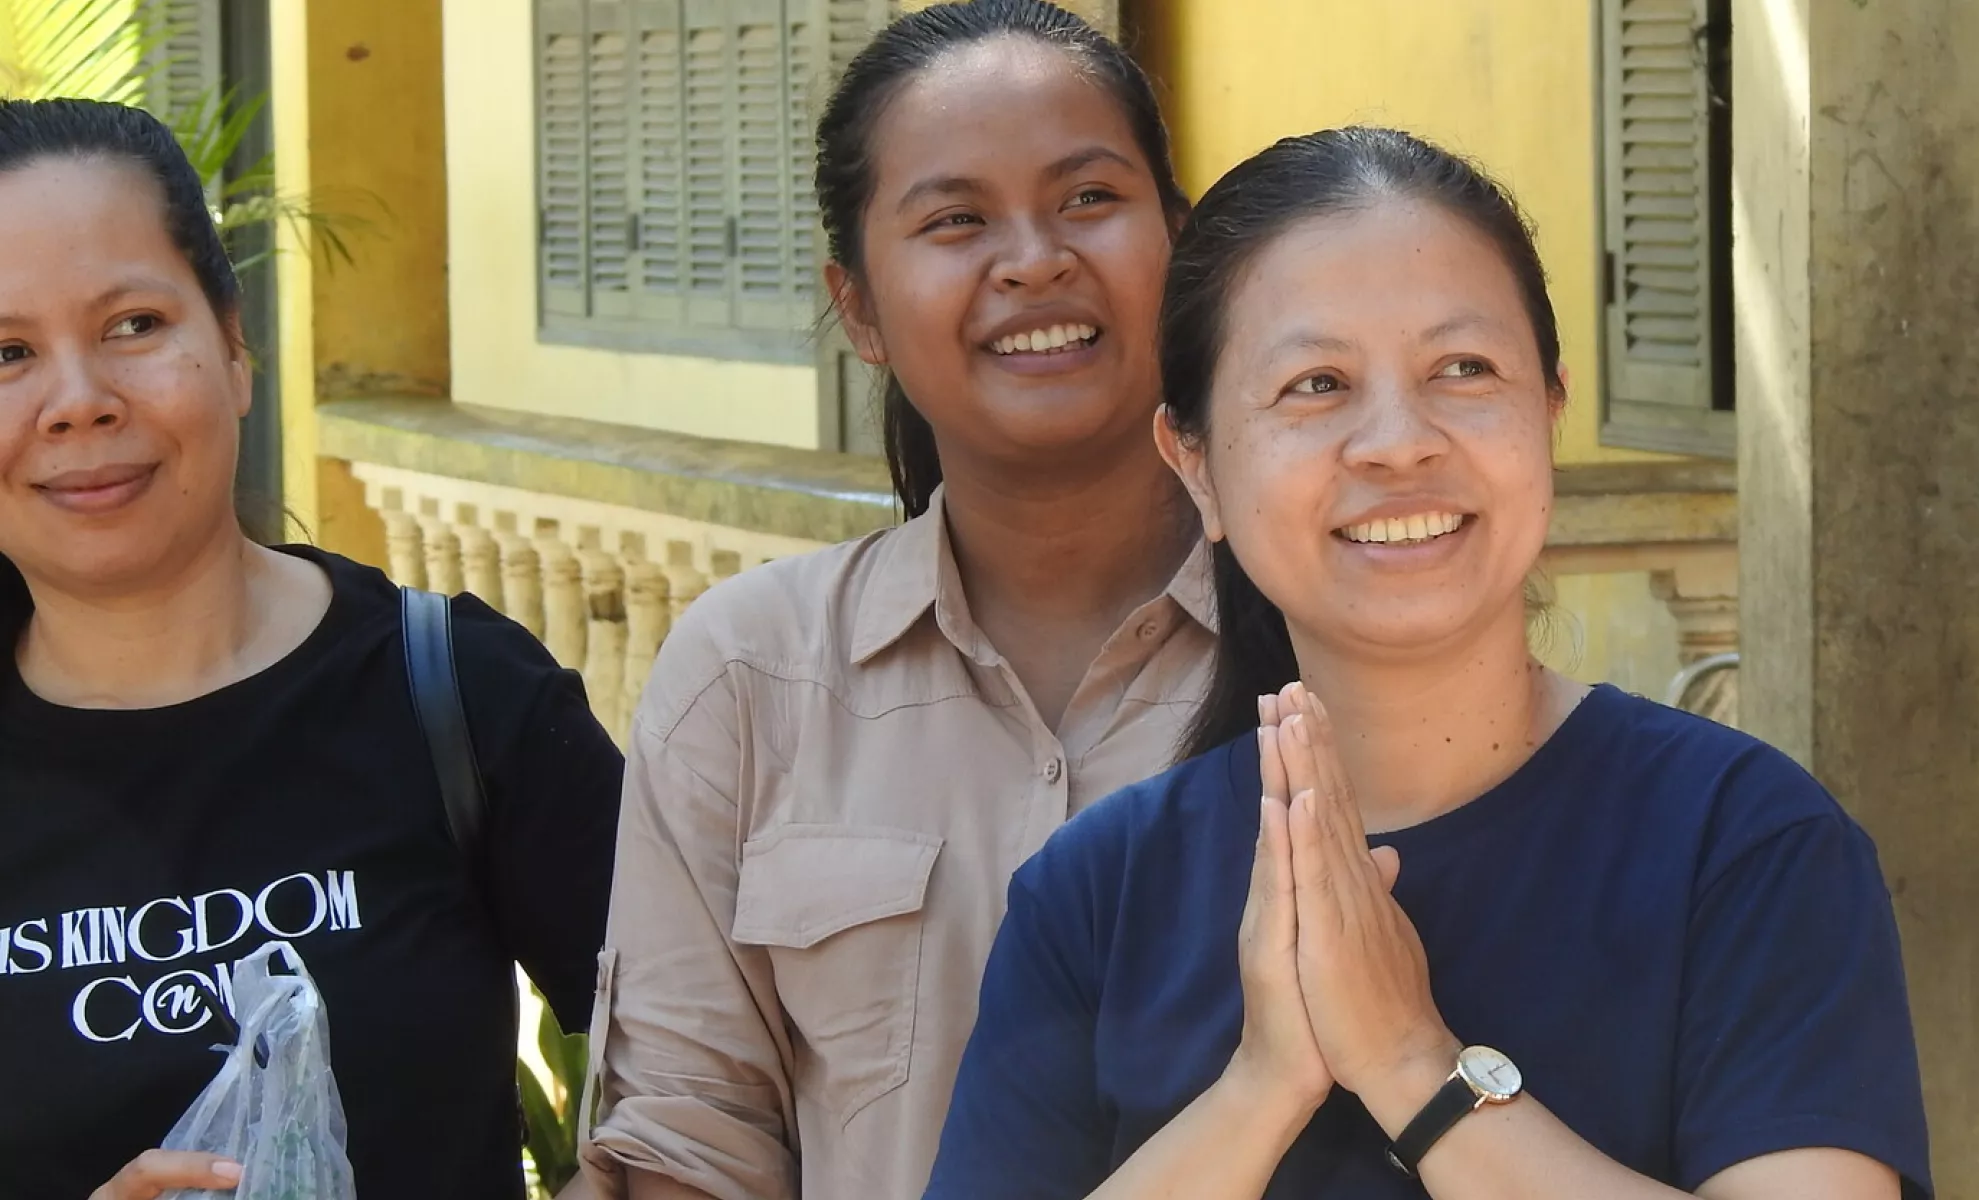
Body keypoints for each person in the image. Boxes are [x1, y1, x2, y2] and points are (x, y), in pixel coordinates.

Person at [927, 126, 1935, 1200]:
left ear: (1549, 409)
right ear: (1199, 465)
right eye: (1316, 384)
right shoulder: (1098, 895)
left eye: (1463, 368)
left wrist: (1414, 1064)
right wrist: (1262, 1087)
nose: (1398, 442)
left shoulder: (1748, 846)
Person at [572, 3, 1210, 1197]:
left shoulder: (1328, 644)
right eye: (956, 220)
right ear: (858, 305)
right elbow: (689, 1134)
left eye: (1088, 200)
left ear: (1180, 243)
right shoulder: (749, 679)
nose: (1032, 260)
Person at [0, 98, 623, 1200]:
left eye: (134, 324)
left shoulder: (456, 693)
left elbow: (711, 1085)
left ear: (234, 345)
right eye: (7, 352)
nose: (79, 403)